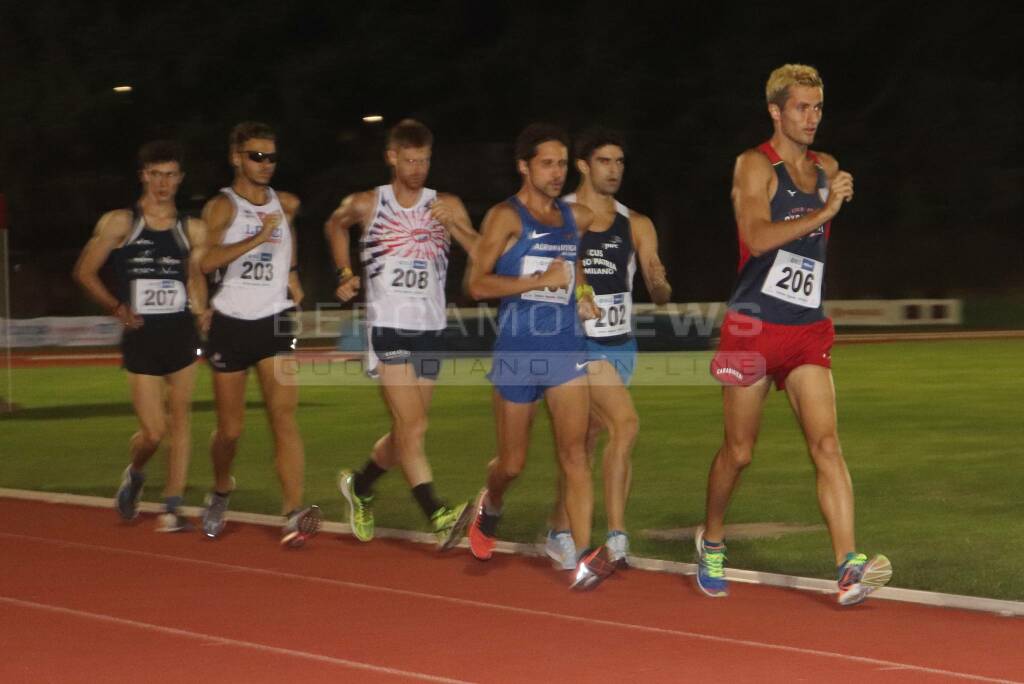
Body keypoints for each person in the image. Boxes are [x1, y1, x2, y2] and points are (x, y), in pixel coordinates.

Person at [699, 64, 891, 605]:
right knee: (739, 453)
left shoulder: (828, 166)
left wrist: (830, 201)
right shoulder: (754, 166)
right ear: (776, 112)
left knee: (826, 444)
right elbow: (757, 237)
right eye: (802, 107)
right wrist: (826, 210)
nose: (812, 118)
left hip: (807, 327)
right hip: (753, 326)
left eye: (818, 107)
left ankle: (848, 565)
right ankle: (711, 540)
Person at [465, 122, 614, 590]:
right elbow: (476, 284)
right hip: (517, 351)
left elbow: (572, 265)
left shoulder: (576, 218)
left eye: (562, 164)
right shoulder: (505, 218)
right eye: (547, 164)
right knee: (511, 464)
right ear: (524, 167)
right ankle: (490, 503)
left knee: (574, 453)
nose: (556, 173)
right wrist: (536, 283)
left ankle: (584, 553)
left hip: (565, 348)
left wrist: (582, 290)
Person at [324, 119, 477, 549]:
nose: (417, 169)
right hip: (388, 327)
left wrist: (458, 226)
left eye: (424, 160)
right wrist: (344, 272)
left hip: (430, 330)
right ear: (392, 157)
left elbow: (483, 251)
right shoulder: (368, 204)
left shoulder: (446, 204)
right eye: (409, 160)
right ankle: (438, 512)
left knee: (411, 429)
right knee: (410, 425)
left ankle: (361, 485)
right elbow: (334, 225)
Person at [545, 127, 673, 569]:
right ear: (583, 165)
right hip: (574, 343)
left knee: (585, 440)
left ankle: (559, 529)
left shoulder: (636, 223)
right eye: (605, 161)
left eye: (620, 162)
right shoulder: (557, 215)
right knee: (626, 424)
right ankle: (617, 536)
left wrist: (658, 283)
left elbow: (659, 291)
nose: (615, 170)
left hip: (620, 345)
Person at [73, 140, 208, 533]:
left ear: (180, 178)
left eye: (170, 175)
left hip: (181, 334)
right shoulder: (120, 223)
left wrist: (202, 311)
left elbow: (196, 279)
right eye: (155, 174)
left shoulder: (192, 229)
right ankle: (134, 474)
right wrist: (117, 309)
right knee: (153, 431)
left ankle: (172, 506)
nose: (163, 183)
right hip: (141, 338)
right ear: (143, 176)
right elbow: (84, 271)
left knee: (181, 420)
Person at [199, 121, 320, 547]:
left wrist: (291, 273)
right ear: (236, 157)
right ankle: (220, 487)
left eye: (271, 157)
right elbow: (204, 262)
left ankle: (293, 511)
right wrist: (255, 240)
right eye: (256, 156)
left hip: (275, 319)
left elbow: (289, 241)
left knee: (283, 418)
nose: (265, 164)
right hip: (231, 321)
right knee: (230, 430)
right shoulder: (222, 207)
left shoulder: (286, 204)